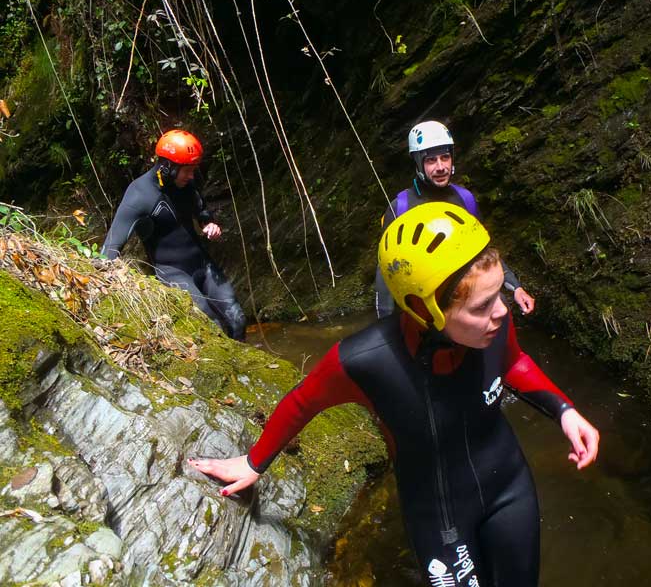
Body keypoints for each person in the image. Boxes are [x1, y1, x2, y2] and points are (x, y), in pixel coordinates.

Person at [190, 202, 599, 586]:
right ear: (425, 311)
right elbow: (304, 400)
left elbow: (512, 362)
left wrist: (565, 412)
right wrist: (253, 462)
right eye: (482, 305)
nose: (502, 312)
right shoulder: (366, 360)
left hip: (510, 488)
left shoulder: (493, 323)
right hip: (439, 516)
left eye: (500, 296)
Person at [375, 119, 536, 319]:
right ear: (417, 162)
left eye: (445, 157)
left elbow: (483, 253)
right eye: (431, 160)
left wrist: (516, 288)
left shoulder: (465, 199)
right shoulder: (400, 208)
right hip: (422, 310)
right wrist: (385, 320)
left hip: (462, 307)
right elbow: (387, 271)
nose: (441, 167)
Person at [101, 129, 245, 341]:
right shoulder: (139, 195)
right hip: (173, 272)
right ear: (167, 167)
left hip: (203, 265)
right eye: (187, 170)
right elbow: (110, 248)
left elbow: (201, 209)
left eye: (193, 169)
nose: (192, 175)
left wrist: (209, 223)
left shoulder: (185, 183)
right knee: (211, 324)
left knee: (238, 319)